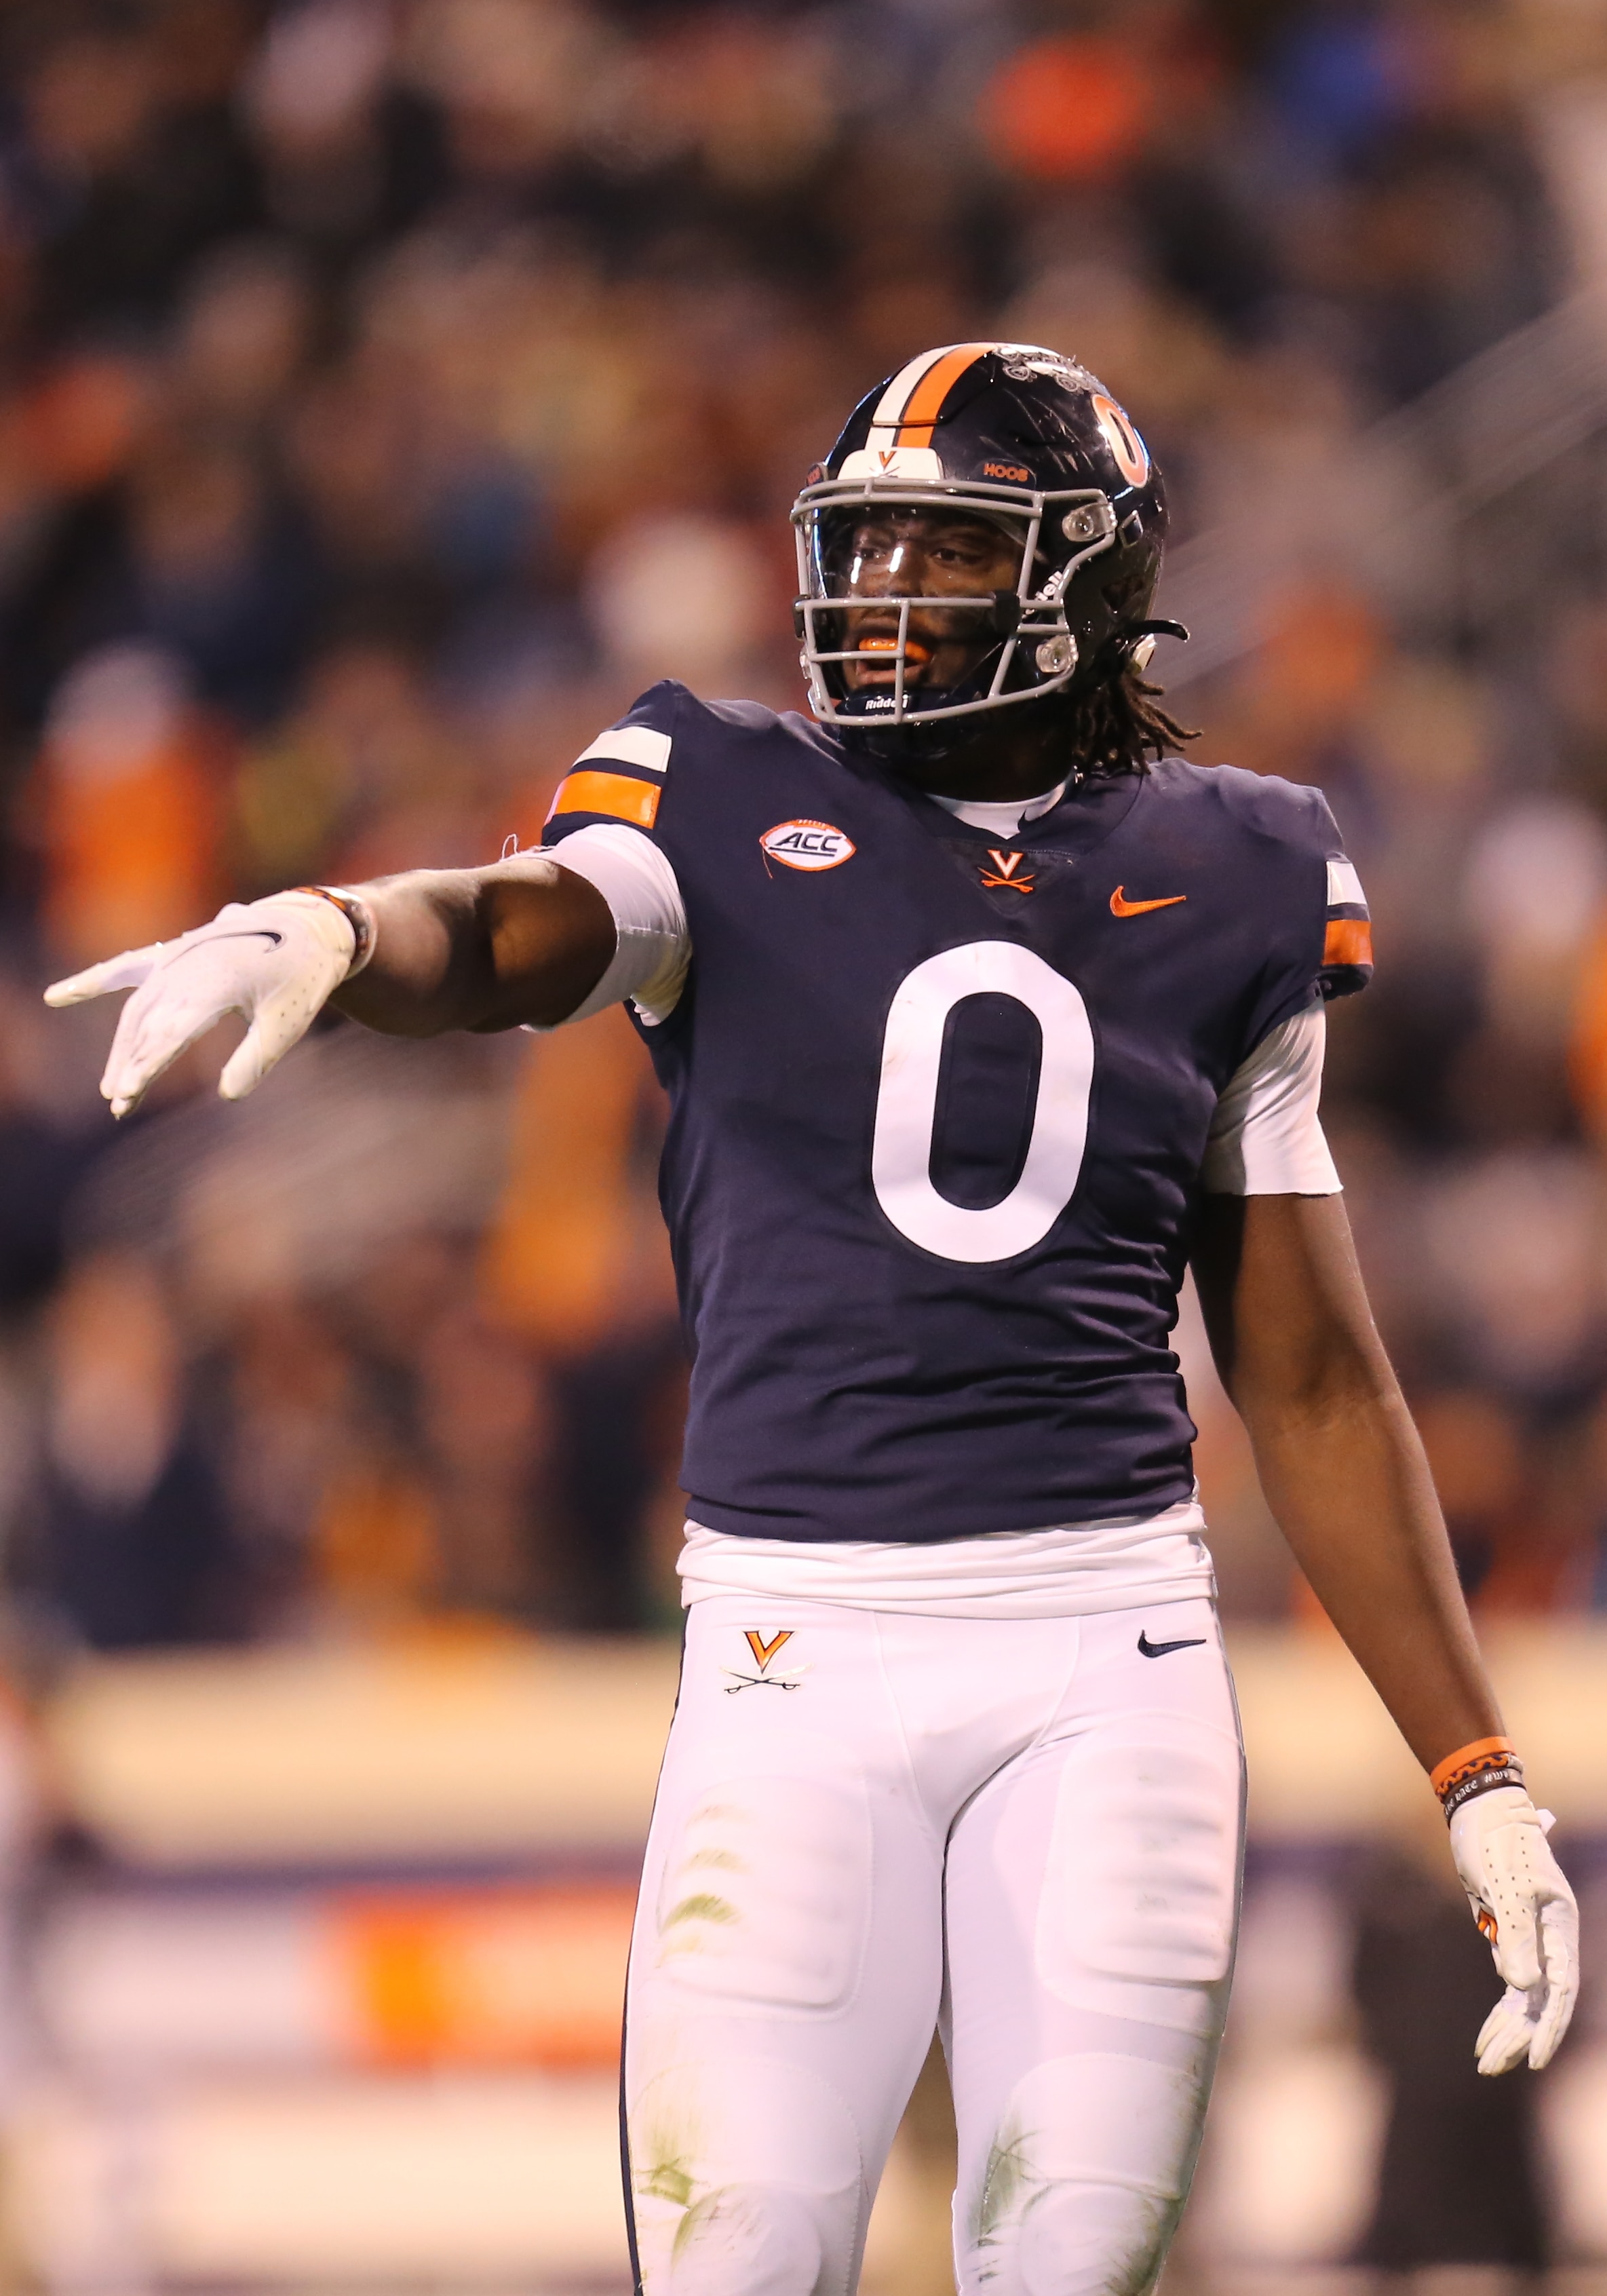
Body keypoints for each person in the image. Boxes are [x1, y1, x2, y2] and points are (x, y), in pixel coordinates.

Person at [47, 343, 1578, 2295]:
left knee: (1072, 2263)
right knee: (737, 2261)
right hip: (797, 1649)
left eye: (942, 555)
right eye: (865, 552)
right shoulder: (720, 789)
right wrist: (348, 934)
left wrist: (1476, 1773)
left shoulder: (1240, 866)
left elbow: (1306, 1372)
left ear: (1086, 584)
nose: (880, 600)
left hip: (1104, 1656)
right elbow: (525, 932)